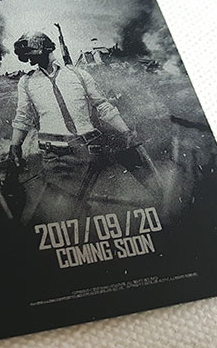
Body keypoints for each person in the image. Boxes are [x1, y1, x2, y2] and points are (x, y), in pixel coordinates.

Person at [8, 31, 148, 223]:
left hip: (88, 154)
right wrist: (15, 146)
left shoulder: (78, 74)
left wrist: (125, 132)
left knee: (102, 207)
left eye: (32, 54)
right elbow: (23, 116)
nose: (30, 60)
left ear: (46, 49)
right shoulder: (26, 82)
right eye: (27, 56)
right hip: (54, 159)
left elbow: (103, 105)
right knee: (58, 213)